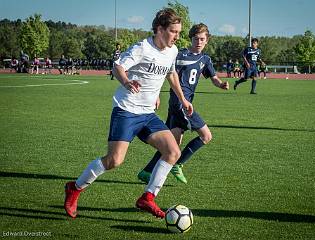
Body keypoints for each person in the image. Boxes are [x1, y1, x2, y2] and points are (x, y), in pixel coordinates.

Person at [64, 8, 193, 219]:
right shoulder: (142, 47)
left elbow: (170, 74)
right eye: (173, 31)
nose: (177, 36)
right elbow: (118, 67)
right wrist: (126, 81)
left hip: (148, 114)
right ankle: (74, 188)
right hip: (127, 110)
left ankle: (148, 198)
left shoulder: (173, 51)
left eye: (178, 32)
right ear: (160, 29)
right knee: (114, 160)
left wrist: (183, 99)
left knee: (173, 151)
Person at [137, 23, 229, 184]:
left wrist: (221, 84)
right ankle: (177, 164)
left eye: (202, 39)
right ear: (191, 39)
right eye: (196, 39)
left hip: (183, 104)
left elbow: (213, 77)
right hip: (180, 104)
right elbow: (164, 74)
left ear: (207, 40)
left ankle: (147, 171)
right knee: (206, 135)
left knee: (172, 142)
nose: (199, 42)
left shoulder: (205, 59)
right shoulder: (180, 55)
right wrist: (157, 94)